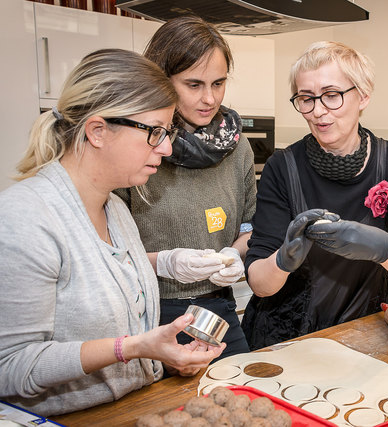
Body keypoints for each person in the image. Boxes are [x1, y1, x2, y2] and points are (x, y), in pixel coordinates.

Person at [0, 49, 224, 416]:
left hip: (133, 409)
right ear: (98, 131)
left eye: (167, 133)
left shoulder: (115, 208)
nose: (166, 148)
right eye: (155, 132)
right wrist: (133, 347)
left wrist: (163, 356)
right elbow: (9, 367)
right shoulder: (24, 217)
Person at [241, 41, 388, 350]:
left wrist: (378, 246)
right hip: (289, 337)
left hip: (367, 332)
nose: (317, 111)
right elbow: (260, 284)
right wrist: (281, 261)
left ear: (364, 95)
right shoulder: (283, 166)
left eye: (331, 96)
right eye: (306, 98)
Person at [116, 16, 256, 358]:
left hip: (217, 313)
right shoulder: (134, 143)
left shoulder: (236, 147)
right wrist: (164, 262)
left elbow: (253, 226)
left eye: (219, 83)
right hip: (144, 314)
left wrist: (235, 254)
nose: (210, 98)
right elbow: (103, 255)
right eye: (194, 85)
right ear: (162, 80)